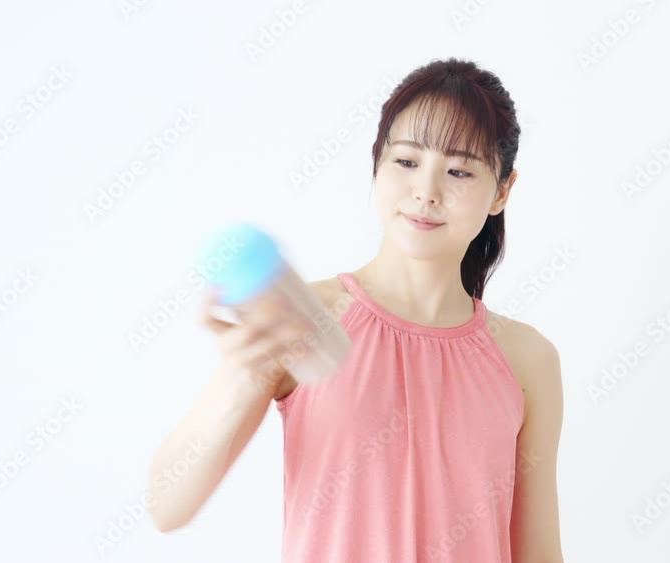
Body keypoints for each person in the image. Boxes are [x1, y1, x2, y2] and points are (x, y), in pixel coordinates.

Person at [147, 57, 565, 562]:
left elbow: (539, 554)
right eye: (406, 161)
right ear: (377, 164)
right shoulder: (302, 317)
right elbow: (166, 507)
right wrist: (241, 376)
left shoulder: (528, 360)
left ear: (501, 191)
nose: (426, 192)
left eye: (458, 170)